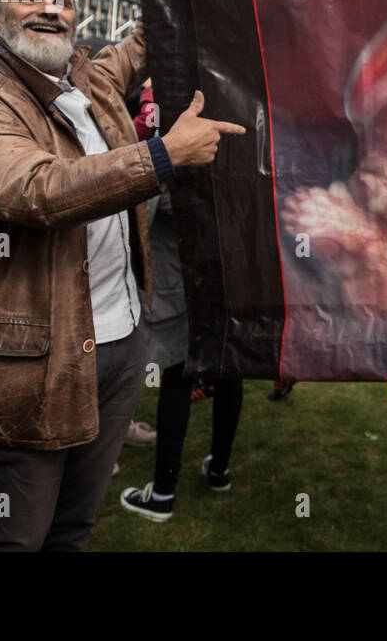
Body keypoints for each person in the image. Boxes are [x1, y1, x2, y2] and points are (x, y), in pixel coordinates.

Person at [0, 0, 245, 550]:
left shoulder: (89, 79)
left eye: (64, 1)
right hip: (36, 357)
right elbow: (40, 190)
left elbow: (149, 37)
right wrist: (163, 156)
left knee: (73, 526)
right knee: (10, 536)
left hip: (121, 342)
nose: (51, 9)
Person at [119, 83, 244, 521]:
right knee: (225, 371)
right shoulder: (232, 98)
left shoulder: (173, 107)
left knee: (178, 376)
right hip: (216, 275)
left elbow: (151, 211)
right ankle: (217, 471)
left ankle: (165, 494)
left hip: (183, 279)